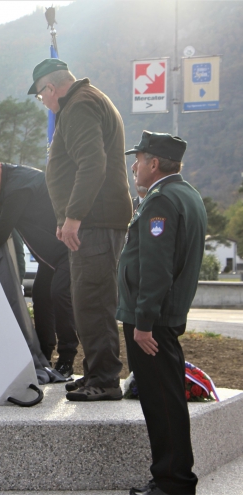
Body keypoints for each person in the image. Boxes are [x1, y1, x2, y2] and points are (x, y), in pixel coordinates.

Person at [30, 58, 133, 400]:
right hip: (94, 219)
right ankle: (95, 373)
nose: (42, 101)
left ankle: (103, 380)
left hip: (95, 220)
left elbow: (92, 163)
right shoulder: (86, 100)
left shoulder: (79, 106)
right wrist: (66, 218)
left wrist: (73, 216)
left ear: (51, 88)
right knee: (88, 299)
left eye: (41, 94)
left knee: (93, 301)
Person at [118, 131, 205, 495]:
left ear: (154, 164)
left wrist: (143, 323)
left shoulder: (161, 201)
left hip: (152, 323)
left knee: (161, 403)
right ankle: (173, 477)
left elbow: (155, 270)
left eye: (138, 159)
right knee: (165, 398)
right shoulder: (187, 195)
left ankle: (172, 482)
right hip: (164, 318)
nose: (134, 166)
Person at [0, 154, 78, 377]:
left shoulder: (18, 188)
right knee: (41, 294)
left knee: (59, 295)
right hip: (52, 255)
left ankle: (67, 358)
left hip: (69, 248)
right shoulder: (6, 184)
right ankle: (44, 354)